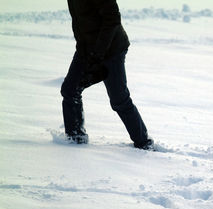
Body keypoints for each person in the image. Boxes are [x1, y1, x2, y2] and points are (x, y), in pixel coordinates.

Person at [61, 0, 154, 150]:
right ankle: (75, 139)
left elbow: (113, 19)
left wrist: (98, 54)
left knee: (119, 100)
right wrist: (87, 51)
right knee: (70, 90)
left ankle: (143, 143)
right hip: (86, 49)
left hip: (111, 50)